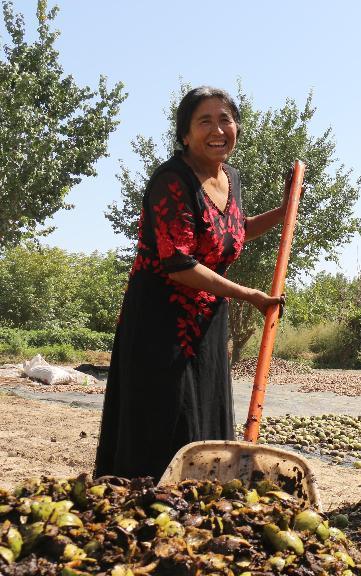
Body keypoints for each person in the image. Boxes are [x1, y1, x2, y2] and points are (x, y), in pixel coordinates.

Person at [95, 86, 293, 480]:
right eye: (205, 121)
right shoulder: (172, 180)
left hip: (206, 321)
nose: (218, 129)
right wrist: (248, 295)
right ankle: (147, 507)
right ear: (185, 134)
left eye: (226, 119)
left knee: (203, 409)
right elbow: (178, 262)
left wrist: (285, 211)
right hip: (160, 324)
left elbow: (235, 231)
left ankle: (196, 507)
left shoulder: (230, 178)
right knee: (165, 417)